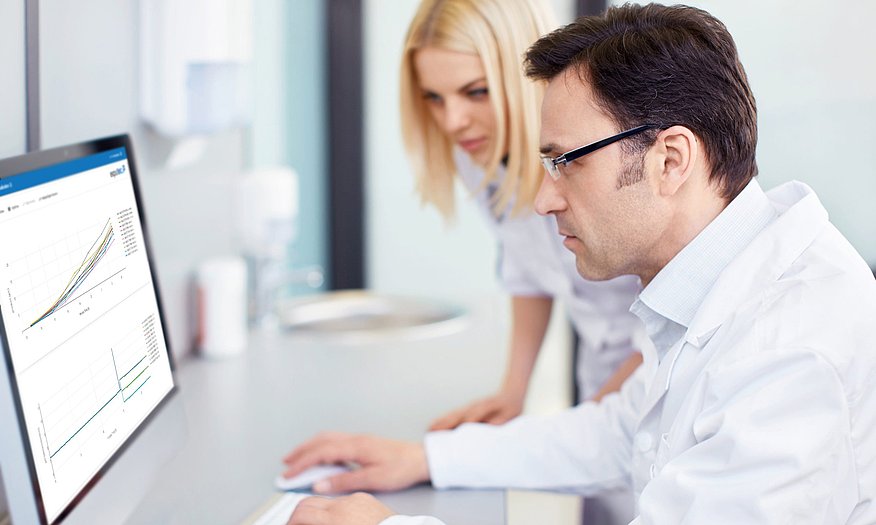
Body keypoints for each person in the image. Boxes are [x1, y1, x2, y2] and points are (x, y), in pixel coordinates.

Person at [285, 4, 876, 524]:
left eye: (567, 161)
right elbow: (620, 430)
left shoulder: (789, 353)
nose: (543, 201)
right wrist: (426, 458)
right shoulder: (712, 288)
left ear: (670, 160)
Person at [399, 0, 647, 433]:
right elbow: (527, 269)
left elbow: (671, 317)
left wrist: (580, 431)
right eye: (434, 98)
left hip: (660, 369)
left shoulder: (609, 149)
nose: (453, 121)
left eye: (477, 92)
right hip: (602, 376)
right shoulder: (478, 154)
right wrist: (513, 392)